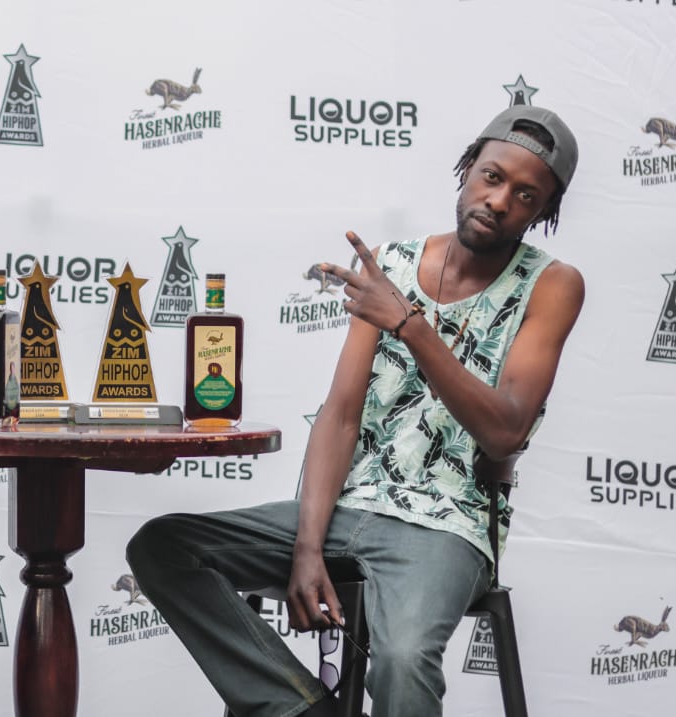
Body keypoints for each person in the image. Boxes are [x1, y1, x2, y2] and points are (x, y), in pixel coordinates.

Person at [126, 105, 585, 717]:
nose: (499, 201)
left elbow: (504, 431)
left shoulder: (552, 285)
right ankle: (304, 710)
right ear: (468, 167)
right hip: (348, 508)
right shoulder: (390, 265)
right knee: (163, 547)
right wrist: (307, 546)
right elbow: (341, 417)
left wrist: (409, 324)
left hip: (449, 525)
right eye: (492, 176)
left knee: (403, 660)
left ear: (544, 211)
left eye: (525, 196)